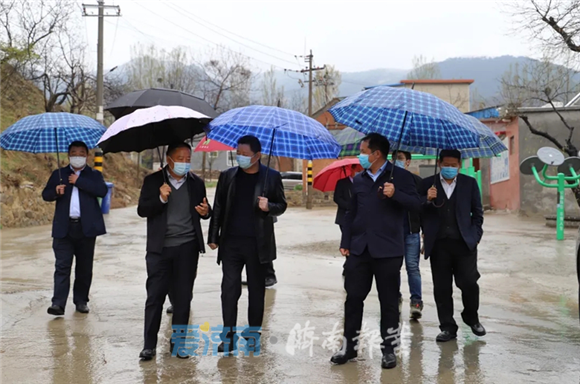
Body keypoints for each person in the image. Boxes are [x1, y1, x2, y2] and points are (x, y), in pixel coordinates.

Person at [331, 133, 420, 369]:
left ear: (376, 153)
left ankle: (389, 350)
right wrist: (346, 240)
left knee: (389, 302)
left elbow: (416, 204)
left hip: (388, 250)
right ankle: (349, 347)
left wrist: (396, 194)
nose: (361, 155)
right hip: (360, 249)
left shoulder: (400, 177)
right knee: (353, 299)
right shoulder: (359, 179)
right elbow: (351, 213)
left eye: (363, 151)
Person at [208, 135, 287, 353]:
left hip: (257, 245)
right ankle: (229, 336)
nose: (240, 158)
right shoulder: (228, 176)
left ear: (257, 155)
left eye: (245, 155)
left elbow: (282, 204)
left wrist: (268, 206)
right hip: (231, 244)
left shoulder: (271, 177)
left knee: (256, 291)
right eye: (238, 154)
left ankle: (253, 334)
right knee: (229, 290)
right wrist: (213, 236)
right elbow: (219, 208)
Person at [137, 142, 211, 361]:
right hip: (159, 249)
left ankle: (178, 345)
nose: (184, 163)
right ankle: (149, 345)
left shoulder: (196, 183)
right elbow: (143, 210)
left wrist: (206, 212)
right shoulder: (153, 181)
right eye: (180, 158)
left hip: (187, 248)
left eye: (188, 158)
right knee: (155, 297)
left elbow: (206, 211)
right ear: (168, 159)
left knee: (183, 299)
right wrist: (160, 198)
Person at [420, 149, 485, 343]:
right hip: (438, 244)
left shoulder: (469, 184)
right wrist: (427, 200)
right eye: (446, 164)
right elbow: (417, 212)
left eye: (453, 165)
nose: (449, 168)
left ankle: (471, 317)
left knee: (469, 283)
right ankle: (447, 327)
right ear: (439, 164)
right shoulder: (427, 184)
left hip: (464, 243)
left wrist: (475, 236)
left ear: (459, 165)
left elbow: (478, 214)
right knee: (442, 287)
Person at [42, 141, 108, 316]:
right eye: (74, 153)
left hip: (86, 229)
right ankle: (58, 303)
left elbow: (101, 191)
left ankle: (81, 301)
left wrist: (79, 181)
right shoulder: (59, 174)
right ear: (68, 155)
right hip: (64, 228)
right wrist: (56, 191)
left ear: (86, 156)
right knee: (62, 266)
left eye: (81, 153)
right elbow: (45, 195)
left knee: (84, 268)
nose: (77, 156)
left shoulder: (93, 175)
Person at [394, 151, 424, 319]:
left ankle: (416, 302)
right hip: (393, 233)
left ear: (408, 162)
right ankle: (395, 298)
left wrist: (425, 232)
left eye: (400, 158)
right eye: (394, 158)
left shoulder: (417, 182)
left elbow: (422, 208)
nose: (397, 161)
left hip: (412, 232)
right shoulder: (388, 180)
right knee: (394, 268)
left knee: (412, 267)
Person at [334, 165, 357, 278]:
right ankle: (349, 264)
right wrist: (348, 206)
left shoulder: (362, 183)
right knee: (347, 240)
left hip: (358, 217)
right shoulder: (342, 183)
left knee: (356, 241)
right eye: (357, 170)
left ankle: (350, 264)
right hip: (344, 217)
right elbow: (337, 198)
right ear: (351, 170)